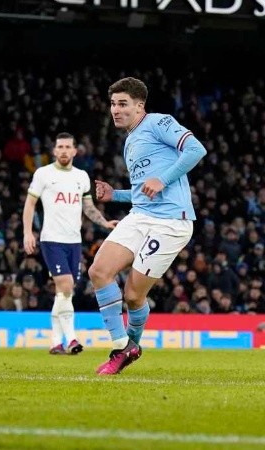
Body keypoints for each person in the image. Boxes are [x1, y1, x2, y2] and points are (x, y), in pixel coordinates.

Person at [90, 77, 206, 375]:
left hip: (171, 223)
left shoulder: (157, 122)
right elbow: (145, 190)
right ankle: (123, 346)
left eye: (123, 104)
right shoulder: (131, 141)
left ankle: (132, 343)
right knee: (98, 271)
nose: (115, 110)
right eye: (113, 104)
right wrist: (114, 195)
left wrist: (164, 178)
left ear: (140, 106)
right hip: (140, 216)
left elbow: (195, 150)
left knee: (132, 295)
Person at [22, 132, 117, 356]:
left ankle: (55, 342)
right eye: (60, 147)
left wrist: (104, 223)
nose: (64, 151)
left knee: (64, 293)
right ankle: (72, 339)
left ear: (75, 151)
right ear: (54, 151)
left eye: (68, 147)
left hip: (74, 242)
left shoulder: (82, 176)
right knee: (66, 286)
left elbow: (88, 207)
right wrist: (28, 232)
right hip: (51, 240)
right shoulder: (43, 174)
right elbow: (30, 204)